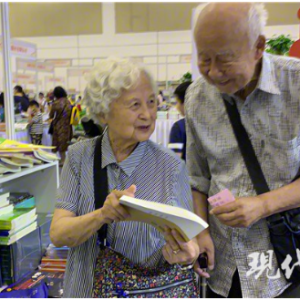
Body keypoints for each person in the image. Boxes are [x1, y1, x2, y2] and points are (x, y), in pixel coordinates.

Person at [50, 57, 200, 298]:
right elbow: (58, 234)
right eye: (135, 105)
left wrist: (186, 254)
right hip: (85, 290)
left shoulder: (172, 168)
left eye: (151, 102)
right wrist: (101, 215)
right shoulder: (80, 157)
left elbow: (188, 242)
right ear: (104, 111)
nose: (147, 114)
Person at [187, 2, 300, 298]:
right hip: (223, 268)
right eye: (204, 59)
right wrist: (201, 232)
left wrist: (263, 205)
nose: (213, 72)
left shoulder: (296, 85)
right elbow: (197, 179)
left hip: (285, 264)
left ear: (258, 47)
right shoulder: (197, 97)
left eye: (225, 59)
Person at [48, 86, 73, 167]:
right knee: (65, 143)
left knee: (59, 143)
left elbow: (51, 115)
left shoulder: (55, 103)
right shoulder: (68, 102)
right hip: (67, 125)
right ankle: (65, 160)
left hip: (58, 125)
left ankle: (63, 160)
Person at [168, 81, 192, 161]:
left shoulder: (179, 127)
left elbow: (174, 160)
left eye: (177, 102)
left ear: (185, 102)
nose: (176, 106)